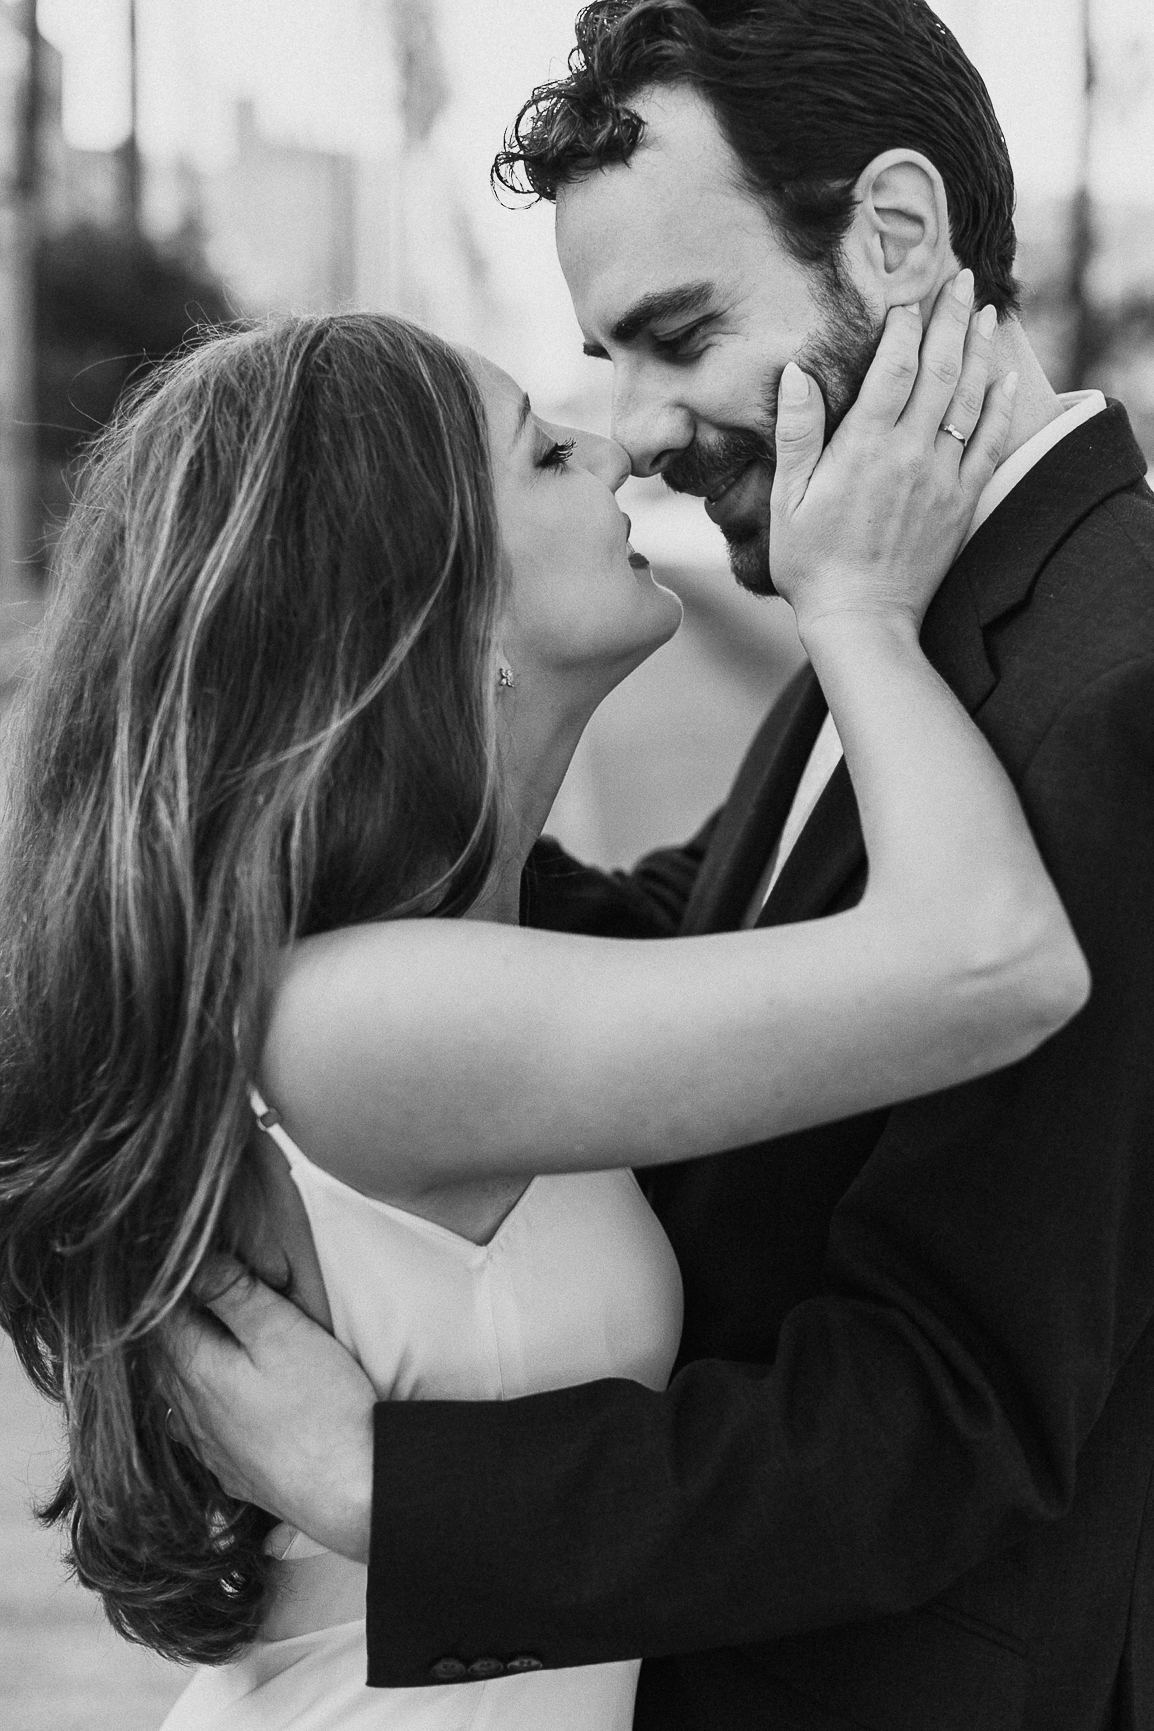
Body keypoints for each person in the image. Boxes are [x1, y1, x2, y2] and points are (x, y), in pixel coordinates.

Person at [171, 3, 1154, 1729]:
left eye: (676, 333)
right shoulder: (883, 613)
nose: (630, 428)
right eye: (591, 372)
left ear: (895, 235)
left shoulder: (1107, 683)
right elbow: (702, 937)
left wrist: (400, 1499)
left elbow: (950, 1408)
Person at [0, 271, 1078, 1731]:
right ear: (437, 601)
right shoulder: (364, 1016)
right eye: (545, 451)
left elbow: (746, 899)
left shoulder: (440, 953)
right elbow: (995, 958)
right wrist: (860, 616)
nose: (615, 446)